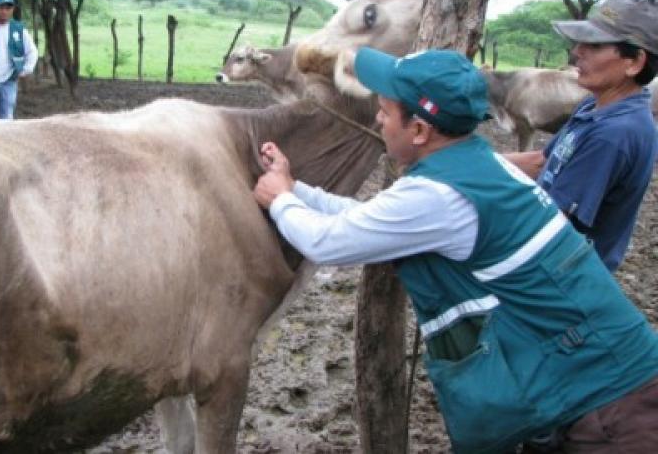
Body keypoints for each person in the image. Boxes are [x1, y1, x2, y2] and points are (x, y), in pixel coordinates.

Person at [253, 47, 658, 453]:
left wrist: (280, 201)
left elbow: (327, 242)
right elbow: (372, 221)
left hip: (613, 408)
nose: (377, 119)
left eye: (384, 110)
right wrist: (294, 189)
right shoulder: (476, 163)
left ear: (418, 131)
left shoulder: (439, 194)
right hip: (597, 376)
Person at [506, 0, 658, 271]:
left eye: (595, 45)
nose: (577, 51)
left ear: (634, 61)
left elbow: (552, 222)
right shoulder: (595, 105)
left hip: (559, 279)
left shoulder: (615, 134)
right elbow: (544, 162)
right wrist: (468, 163)